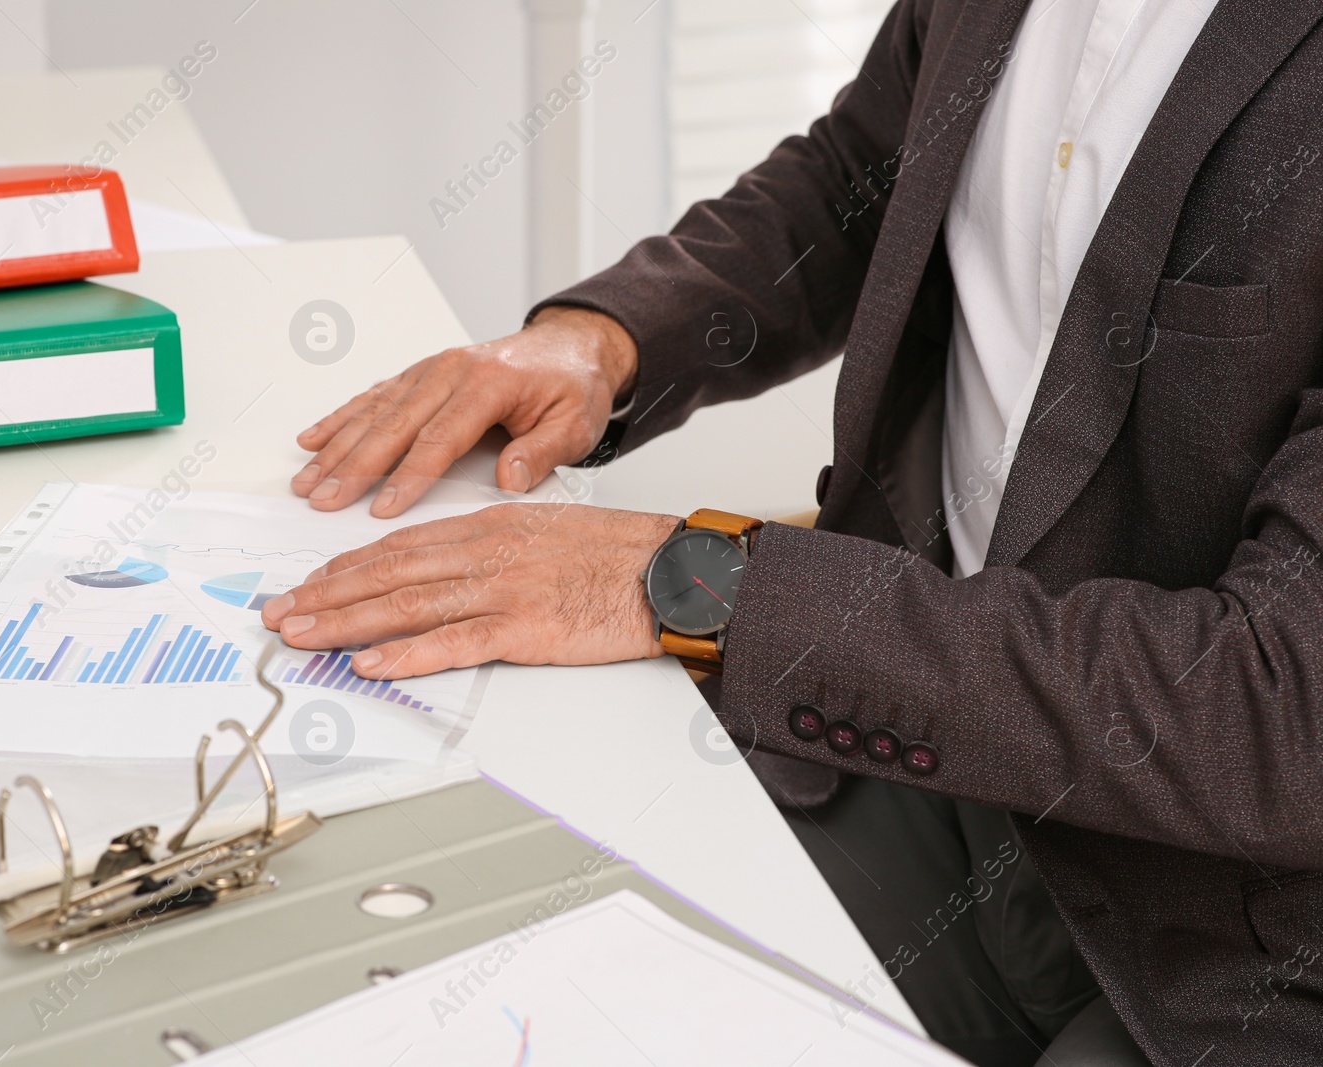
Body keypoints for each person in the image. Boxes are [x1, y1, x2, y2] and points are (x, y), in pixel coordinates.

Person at [262, 1, 1323, 1063]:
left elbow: (1279, 716)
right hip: (918, 757)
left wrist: (699, 579)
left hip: (1217, 934)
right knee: (497, 950)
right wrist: (608, 337)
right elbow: (862, 177)